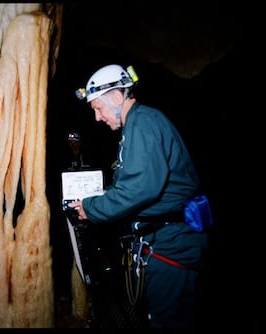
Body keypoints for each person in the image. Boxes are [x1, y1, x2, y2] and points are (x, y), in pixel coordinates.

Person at [68, 64, 210, 329]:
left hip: (171, 246)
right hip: (164, 243)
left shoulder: (143, 123)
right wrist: (103, 196)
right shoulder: (137, 126)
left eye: (97, 108)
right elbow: (132, 182)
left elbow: (139, 188)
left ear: (116, 96)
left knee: (168, 321)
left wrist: (91, 208)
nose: (98, 117)